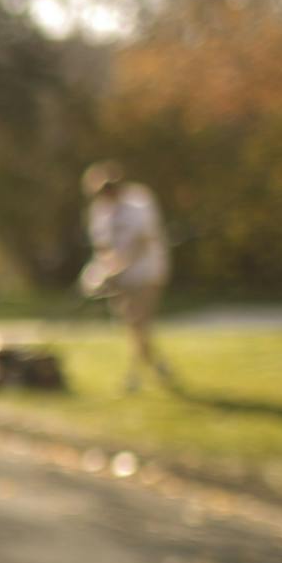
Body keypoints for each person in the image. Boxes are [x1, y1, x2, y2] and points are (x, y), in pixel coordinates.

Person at [80, 160, 175, 393]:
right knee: (133, 327)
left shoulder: (138, 201)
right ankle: (159, 367)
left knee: (137, 322)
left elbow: (141, 241)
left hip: (147, 272)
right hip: (119, 278)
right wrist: (100, 273)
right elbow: (103, 246)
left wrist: (119, 266)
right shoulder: (100, 211)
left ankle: (133, 377)